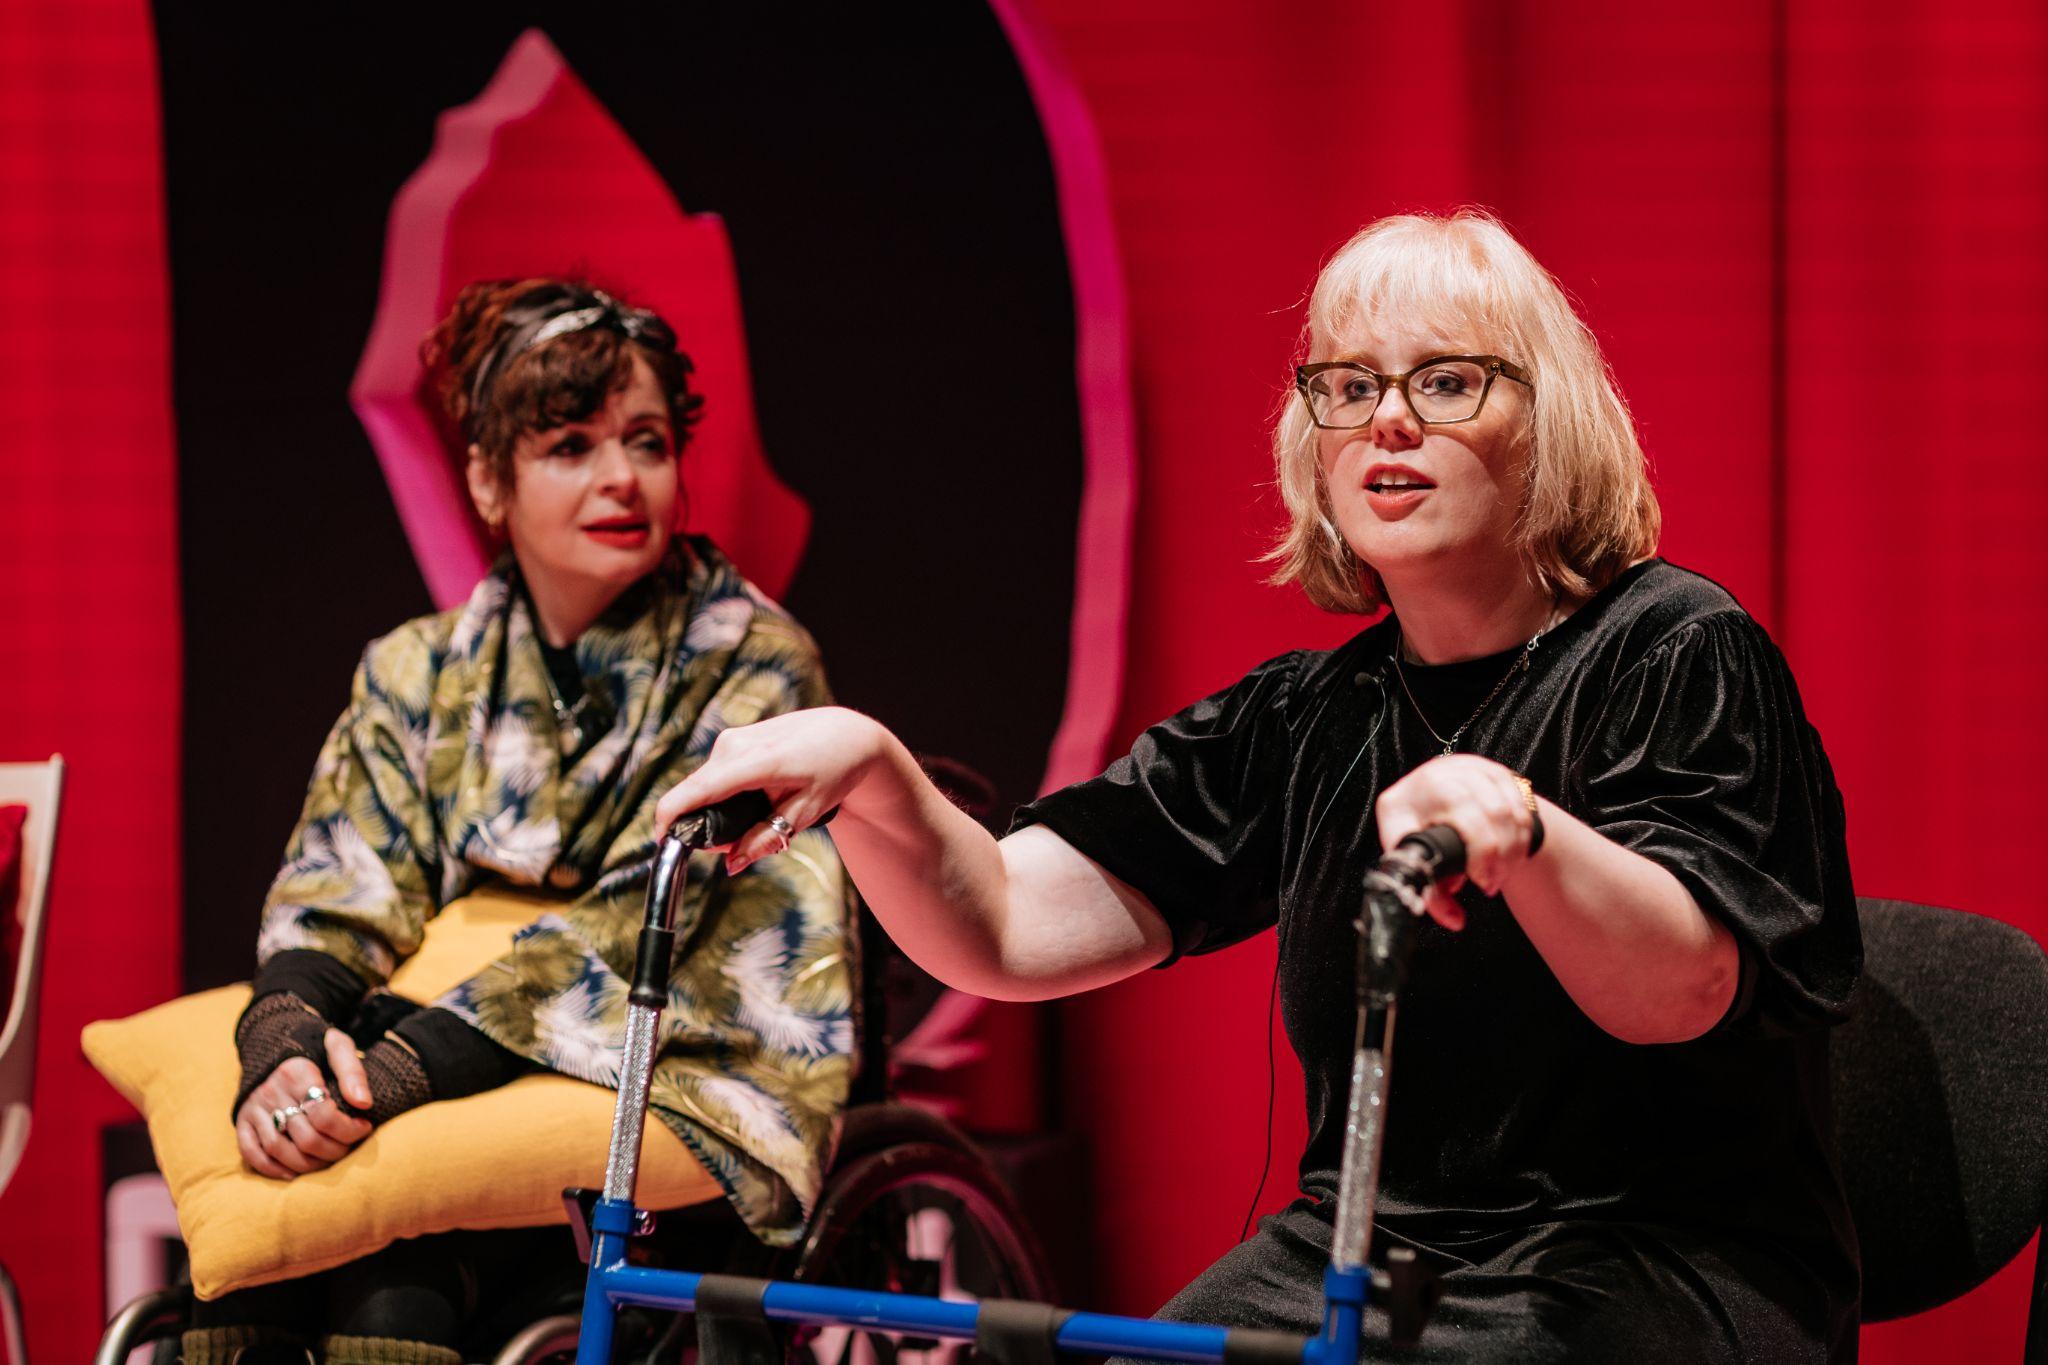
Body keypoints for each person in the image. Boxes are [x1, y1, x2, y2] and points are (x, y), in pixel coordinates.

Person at [656, 212, 1863, 1363]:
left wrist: (1526, 833)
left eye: (1444, 381)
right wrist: (874, 770)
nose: (1386, 422)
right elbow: (1009, 925)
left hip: (1651, 1265)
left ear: (1542, 424)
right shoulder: (1311, 714)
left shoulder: (1674, 648)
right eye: (1346, 387)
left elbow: (1687, 985)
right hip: (1377, 1258)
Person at [193, 279, 853, 1365]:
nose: (619, 478)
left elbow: (667, 913)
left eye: (645, 441)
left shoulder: (754, 662)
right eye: (568, 446)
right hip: (440, 1060)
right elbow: (340, 887)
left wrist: (399, 1069)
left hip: (668, 1063)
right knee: (254, 1281)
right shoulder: (418, 669)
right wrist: (287, 1045)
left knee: (387, 1297)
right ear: (487, 480)